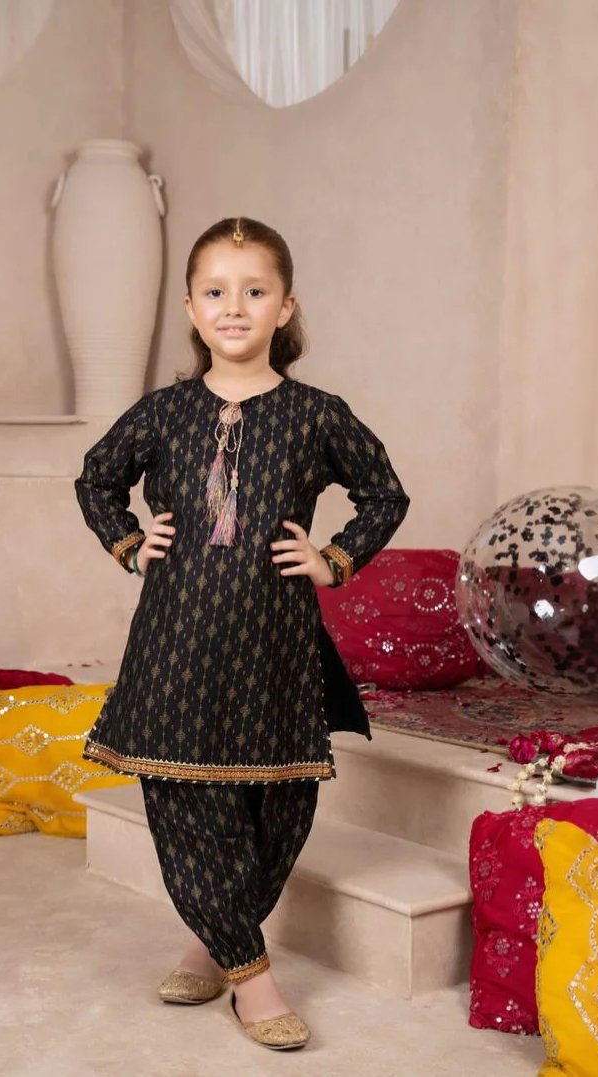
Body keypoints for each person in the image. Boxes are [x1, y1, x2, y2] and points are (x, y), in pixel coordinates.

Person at [75, 216, 409, 1051]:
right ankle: (252, 980)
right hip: (176, 642)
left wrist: (334, 558)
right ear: (191, 308)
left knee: (279, 810)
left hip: (276, 645)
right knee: (187, 803)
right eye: (215, 292)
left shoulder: (314, 415)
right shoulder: (162, 413)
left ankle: (212, 944)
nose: (233, 307)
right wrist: (128, 540)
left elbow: (384, 493)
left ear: (283, 306)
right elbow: (96, 479)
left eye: (253, 291)